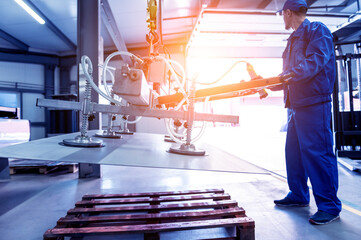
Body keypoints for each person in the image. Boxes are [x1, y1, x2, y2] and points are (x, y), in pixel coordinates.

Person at [271, 0, 342, 225]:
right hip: (296, 105)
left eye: (282, 14)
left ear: (288, 12)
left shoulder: (317, 30)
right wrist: (266, 83)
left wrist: (286, 76)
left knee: (317, 153)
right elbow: (288, 75)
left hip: (314, 103)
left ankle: (329, 206)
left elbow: (314, 62)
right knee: (294, 153)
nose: (282, 18)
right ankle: (299, 195)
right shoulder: (292, 40)